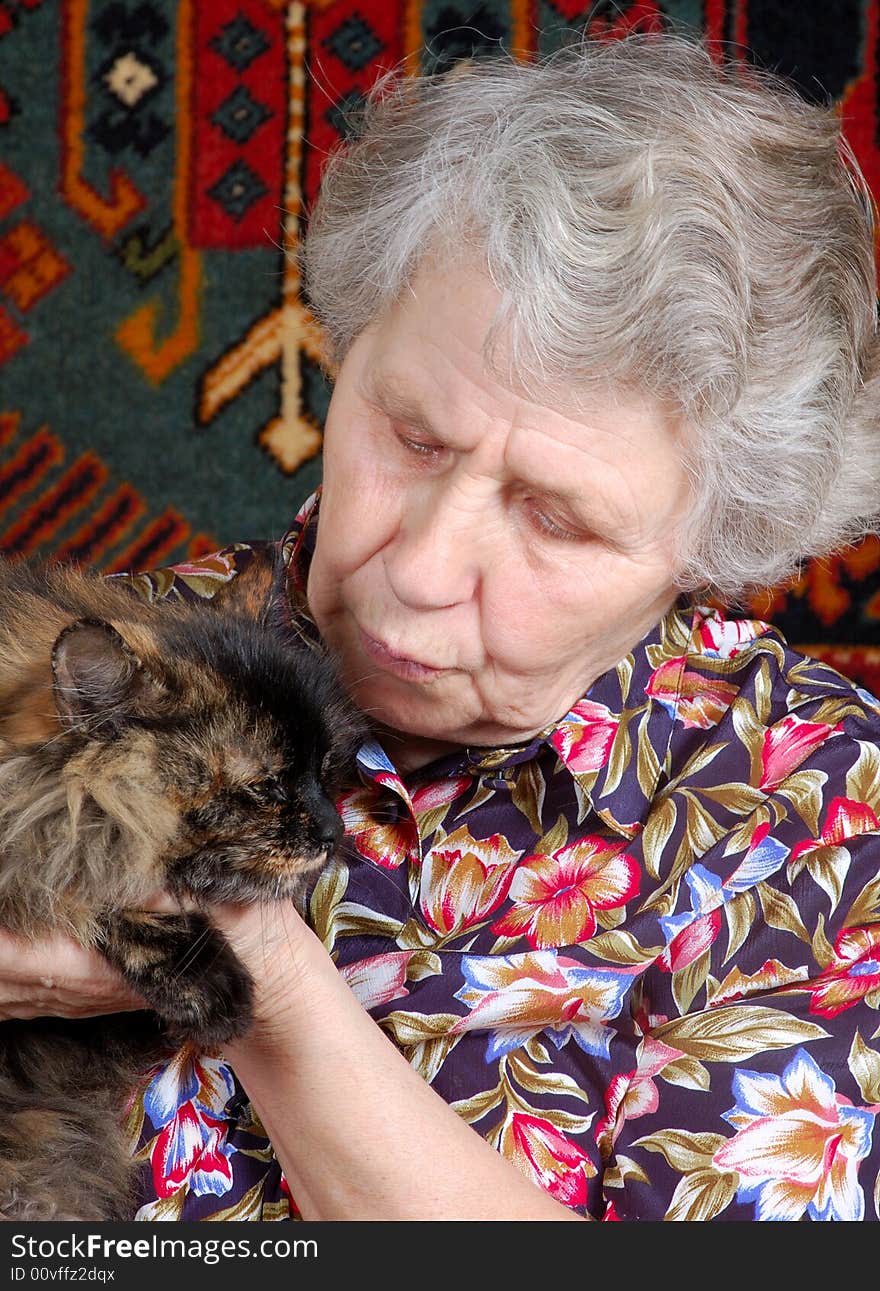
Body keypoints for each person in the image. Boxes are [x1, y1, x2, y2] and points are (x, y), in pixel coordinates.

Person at [4, 29, 880, 1222]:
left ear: (714, 549)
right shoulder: (102, 658)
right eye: (411, 437)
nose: (415, 570)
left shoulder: (814, 817)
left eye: (553, 520)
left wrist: (253, 962)